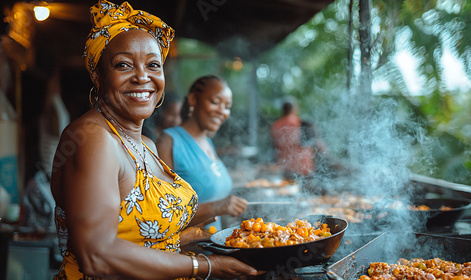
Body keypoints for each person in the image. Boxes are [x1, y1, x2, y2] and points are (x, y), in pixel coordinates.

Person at [50, 1, 260, 279]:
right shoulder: (92, 138)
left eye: (153, 65)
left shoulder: (146, 144)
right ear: (97, 76)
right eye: (123, 65)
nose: (142, 77)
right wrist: (207, 266)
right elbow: (96, 255)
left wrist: (184, 239)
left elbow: (133, 238)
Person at [156, 75, 248, 232]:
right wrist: (218, 207)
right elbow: (162, 212)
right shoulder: (169, 142)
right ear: (193, 99)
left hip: (213, 248)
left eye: (227, 106)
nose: (222, 111)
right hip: (187, 253)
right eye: (215, 102)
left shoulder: (208, 143)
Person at [270, 98, 325, 177]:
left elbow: (274, 149)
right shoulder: (303, 123)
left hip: (284, 170)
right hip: (303, 170)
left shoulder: (275, 126)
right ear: (295, 109)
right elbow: (319, 147)